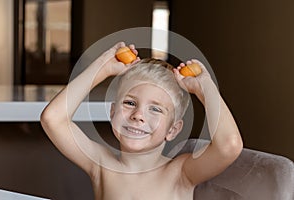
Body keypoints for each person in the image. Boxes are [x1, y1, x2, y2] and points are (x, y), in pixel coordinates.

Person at [40, 42, 243, 200]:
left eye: (155, 109)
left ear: (173, 130)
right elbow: (52, 118)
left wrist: (204, 87)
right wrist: (103, 67)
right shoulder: (101, 166)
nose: (138, 115)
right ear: (112, 113)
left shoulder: (181, 173)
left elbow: (229, 146)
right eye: (129, 103)